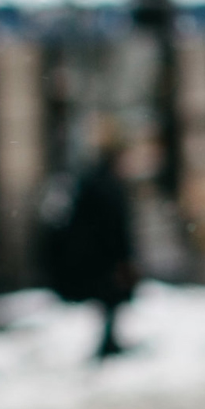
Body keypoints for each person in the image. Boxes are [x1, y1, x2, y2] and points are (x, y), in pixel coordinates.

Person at [46, 141, 136, 360]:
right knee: (110, 298)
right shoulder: (108, 186)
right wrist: (122, 257)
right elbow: (113, 226)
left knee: (109, 301)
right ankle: (108, 342)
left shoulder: (95, 182)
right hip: (103, 258)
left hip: (95, 256)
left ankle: (109, 341)